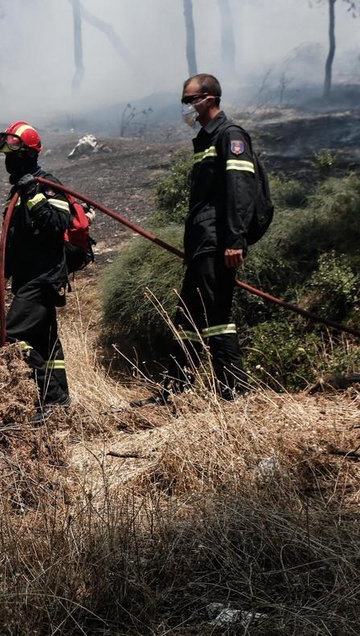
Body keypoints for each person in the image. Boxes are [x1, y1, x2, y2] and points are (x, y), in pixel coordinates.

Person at [134, 73, 253, 406]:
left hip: (218, 242)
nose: (187, 107)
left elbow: (239, 192)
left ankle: (234, 392)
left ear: (209, 99)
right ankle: (176, 390)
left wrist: (234, 240)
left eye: (190, 101)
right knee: (187, 316)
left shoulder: (230, 136)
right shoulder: (205, 140)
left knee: (217, 317)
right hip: (203, 243)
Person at [0, 121, 72, 422]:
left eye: (15, 155)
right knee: (45, 344)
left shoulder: (47, 184)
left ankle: (52, 400)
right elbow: (10, 243)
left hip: (44, 277)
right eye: (7, 155)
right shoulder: (16, 191)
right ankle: (60, 407)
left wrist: (33, 194)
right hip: (26, 278)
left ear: (30, 155)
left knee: (12, 336)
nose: (9, 161)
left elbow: (58, 225)